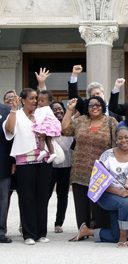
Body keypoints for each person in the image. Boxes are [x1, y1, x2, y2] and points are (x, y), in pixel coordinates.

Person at [3, 88, 52, 245]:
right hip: (25, 162)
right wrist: (13, 109)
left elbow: (50, 119)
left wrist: (42, 83)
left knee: (42, 197)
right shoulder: (16, 115)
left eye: (36, 98)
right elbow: (9, 130)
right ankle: (29, 234)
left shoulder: (40, 114)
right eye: (31, 98)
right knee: (27, 198)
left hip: (43, 161)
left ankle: (41, 233)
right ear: (23, 100)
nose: (35, 101)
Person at [61, 96, 118, 233]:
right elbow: (64, 130)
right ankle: (82, 230)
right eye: (91, 105)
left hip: (101, 171)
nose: (95, 107)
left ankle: (98, 232)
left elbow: (115, 145)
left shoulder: (111, 122)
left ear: (103, 106)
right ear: (87, 108)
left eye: (98, 105)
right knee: (81, 205)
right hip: (79, 170)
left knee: (99, 206)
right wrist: (69, 110)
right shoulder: (81, 121)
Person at [70, 126, 128, 247]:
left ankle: (87, 231)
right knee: (126, 204)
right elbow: (99, 181)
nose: (124, 140)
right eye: (120, 138)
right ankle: (123, 237)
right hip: (106, 194)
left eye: (126, 137)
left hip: (126, 195)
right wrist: (119, 192)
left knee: (113, 236)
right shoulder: (108, 155)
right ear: (116, 140)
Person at [48, 101, 73, 233]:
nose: (58, 111)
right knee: (45, 195)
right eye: (55, 109)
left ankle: (59, 223)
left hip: (67, 166)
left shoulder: (70, 124)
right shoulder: (48, 124)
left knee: (63, 195)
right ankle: (40, 221)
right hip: (51, 166)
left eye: (60, 109)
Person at [33, 90, 61, 163]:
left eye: (42, 101)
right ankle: (52, 153)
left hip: (45, 126)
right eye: (38, 100)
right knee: (48, 140)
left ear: (49, 102)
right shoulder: (48, 108)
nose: (39, 102)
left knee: (41, 138)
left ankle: (42, 151)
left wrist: (36, 125)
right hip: (50, 127)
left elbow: (39, 118)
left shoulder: (43, 109)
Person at [0, 99, 13, 243]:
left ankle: (1, 232)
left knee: (3, 200)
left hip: (3, 163)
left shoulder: (6, 111)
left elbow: (12, 138)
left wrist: (13, 161)